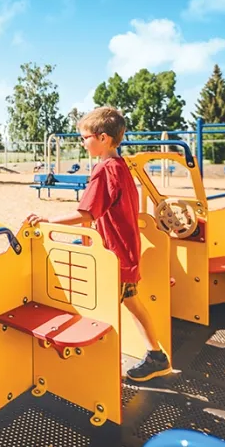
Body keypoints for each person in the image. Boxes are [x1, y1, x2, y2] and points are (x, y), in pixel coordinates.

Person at [25, 106, 171, 382]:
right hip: (124, 251)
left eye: (85, 137)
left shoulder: (105, 170)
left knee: (96, 307)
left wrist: (48, 220)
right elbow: (102, 211)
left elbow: (87, 213)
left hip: (112, 255)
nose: (82, 142)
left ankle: (96, 372)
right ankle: (156, 356)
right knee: (131, 301)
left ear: (103, 138)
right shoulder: (121, 166)